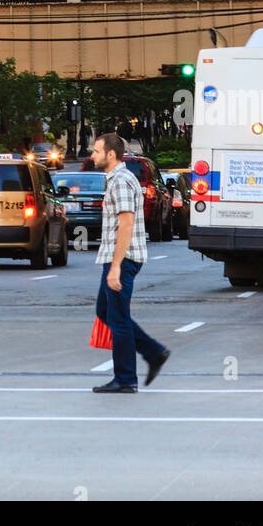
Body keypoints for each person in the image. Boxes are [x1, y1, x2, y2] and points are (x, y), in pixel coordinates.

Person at [91, 132, 169, 395]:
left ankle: (125, 378)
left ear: (110, 154)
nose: (92, 155)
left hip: (122, 259)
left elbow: (126, 223)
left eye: (96, 151)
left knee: (118, 318)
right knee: (106, 312)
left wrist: (116, 266)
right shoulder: (117, 179)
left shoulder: (121, 181)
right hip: (118, 258)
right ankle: (153, 351)